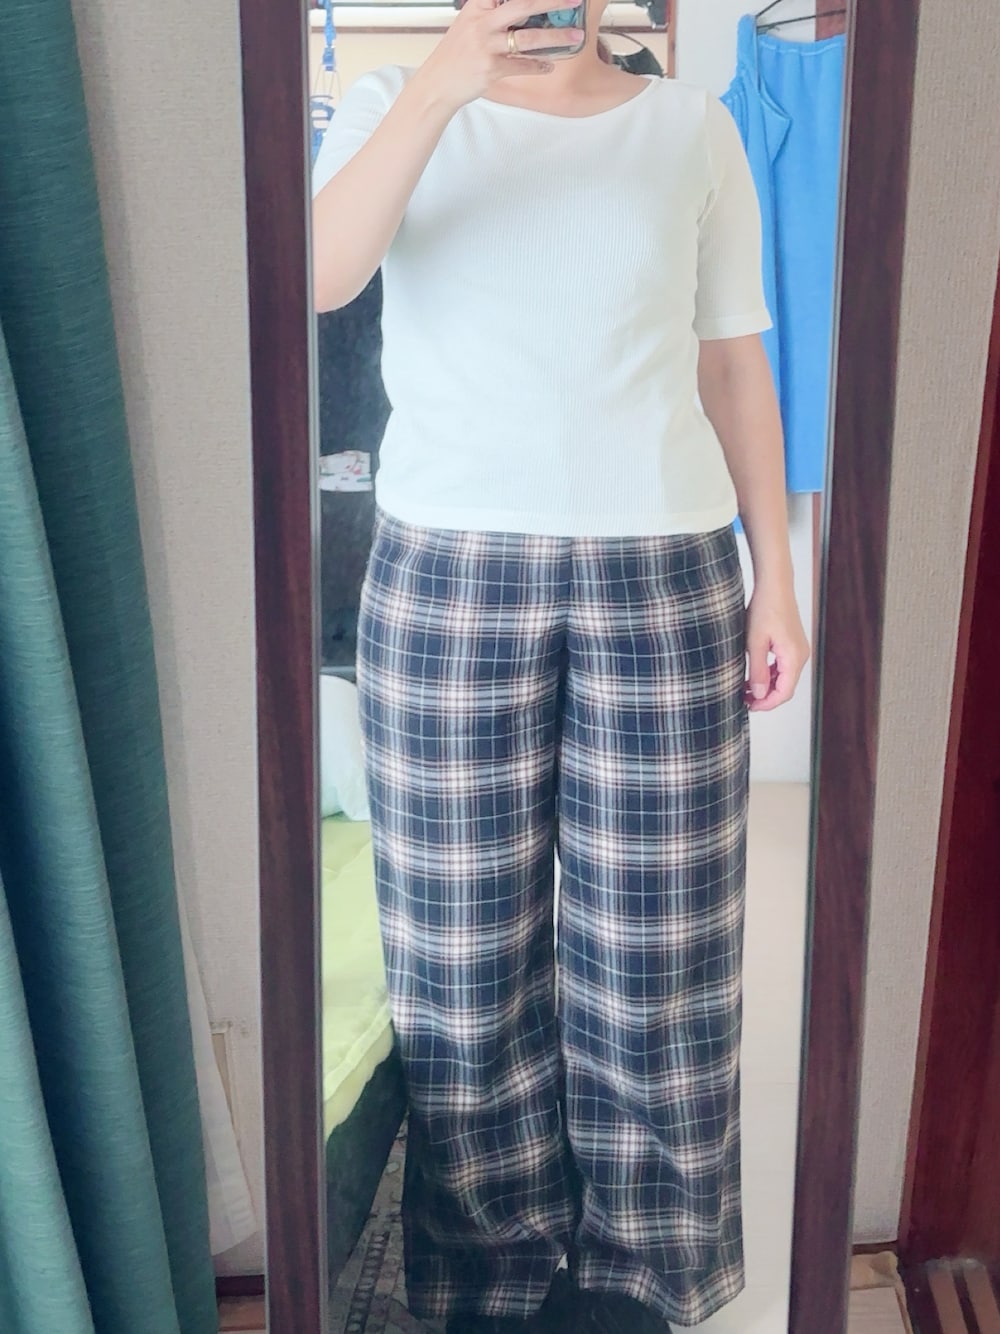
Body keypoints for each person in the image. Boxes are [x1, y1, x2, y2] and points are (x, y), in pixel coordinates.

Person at [312, 1, 810, 1328]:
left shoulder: (690, 129)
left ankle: (642, 1272)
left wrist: (778, 577)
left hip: (667, 571)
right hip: (446, 577)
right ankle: (492, 1270)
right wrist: (442, 84)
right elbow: (317, 275)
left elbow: (734, 362)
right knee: (461, 948)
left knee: (659, 951)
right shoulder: (392, 108)